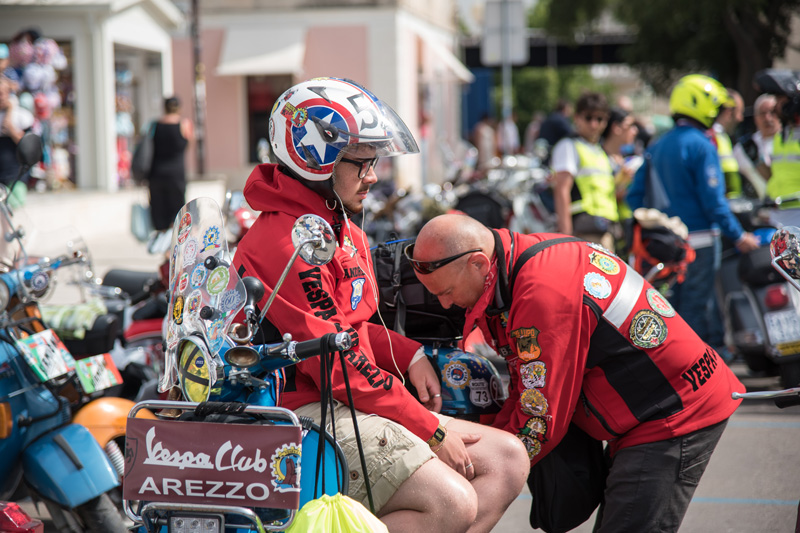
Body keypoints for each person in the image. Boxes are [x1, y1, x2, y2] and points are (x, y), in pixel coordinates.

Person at [232, 77, 529, 532]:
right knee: (450, 503)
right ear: (315, 158)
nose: (373, 176)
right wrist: (430, 428)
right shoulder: (290, 241)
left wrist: (410, 355)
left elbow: (347, 328)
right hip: (303, 411)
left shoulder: (337, 225)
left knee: (507, 459)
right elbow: (334, 361)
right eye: (362, 162)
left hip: (347, 398)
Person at [408, 213, 746, 532]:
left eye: (446, 293)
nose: (446, 305)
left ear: (479, 263)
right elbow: (526, 386)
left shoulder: (542, 290)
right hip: (647, 408)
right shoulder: (513, 262)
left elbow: (539, 417)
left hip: (676, 412)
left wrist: (469, 468)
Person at [627, 74, 759, 352]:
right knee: (696, 311)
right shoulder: (701, 144)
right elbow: (714, 202)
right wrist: (739, 236)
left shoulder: (657, 145)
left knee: (671, 311)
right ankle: (697, 368)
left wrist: (658, 224)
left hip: (665, 245)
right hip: (699, 243)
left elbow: (634, 197)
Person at [550, 92, 619, 250]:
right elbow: (561, 190)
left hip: (604, 230)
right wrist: (566, 237)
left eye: (599, 119)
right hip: (582, 231)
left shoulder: (601, 152)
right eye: (588, 118)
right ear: (577, 117)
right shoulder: (568, 146)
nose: (594, 124)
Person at [147, 96, 193, 231]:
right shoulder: (184, 124)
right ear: (179, 108)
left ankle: (162, 241)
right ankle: (172, 243)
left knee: (159, 216)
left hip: (156, 173)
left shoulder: (154, 125)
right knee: (177, 216)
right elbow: (189, 144)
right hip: (176, 174)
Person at [733, 93, 780, 198]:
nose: (767, 118)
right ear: (755, 117)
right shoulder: (744, 147)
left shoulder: (789, 142)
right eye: (762, 113)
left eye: (772, 112)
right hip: (754, 205)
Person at [601, 106, 641, 222]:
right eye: (630, 126)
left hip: (623, 222)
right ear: (616, 128)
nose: (635, 131)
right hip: (605, 222)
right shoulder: (599, 158)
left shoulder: (624, 159)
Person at [0, 76, 34, 187]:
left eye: (2, 93)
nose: (1, 97)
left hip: (15, 177)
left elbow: (29, 148)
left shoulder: (22, 116)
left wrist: (10, 128)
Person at [713, 88, 745, 197]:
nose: (740, 118)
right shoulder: (713, 136)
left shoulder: (723, 137)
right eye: (739, 112)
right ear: (728, 112)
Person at [470, 113, 497, 177]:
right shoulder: (479, 127)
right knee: (482, 166)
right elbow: (476, 140)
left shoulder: (490, 129)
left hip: (489, 151)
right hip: (482, 150)